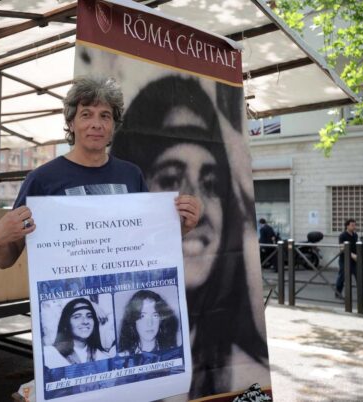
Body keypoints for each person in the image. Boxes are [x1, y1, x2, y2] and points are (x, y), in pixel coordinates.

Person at [111, 75, 269, 397]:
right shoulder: (103, 347)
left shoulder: (247, 374)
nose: (195, 208)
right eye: (170, 178)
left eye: (211, 185)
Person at [0, 77, 201, 269]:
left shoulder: (131, 175)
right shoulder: (42, 180)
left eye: (105, 116)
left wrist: (181, 228)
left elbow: (144, 244)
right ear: (71, 124)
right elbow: (6, 260)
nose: (96, 124)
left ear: (113, 127)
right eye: (86, 115)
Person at [43, 298, 110, 368]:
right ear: (66, 323)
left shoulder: (103, 357)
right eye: (77, 317)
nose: (85, 321)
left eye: (89, 316)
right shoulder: (49, 354)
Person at [118, 290, 179, 355]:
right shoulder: (124, 357)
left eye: (155, 315)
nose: (149, 324)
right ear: (133, 320)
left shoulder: (172, 352)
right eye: (142, 316)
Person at [334, 218, 363, 301]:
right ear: (347, 226)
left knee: (359, 277)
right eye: (352, 225)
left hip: (354, 260)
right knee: (342, 277)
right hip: (344, 260)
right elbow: (342, 248)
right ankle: (338, 293)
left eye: (355, 225)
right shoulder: (342, 235)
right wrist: (352, 255)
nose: (354, 227)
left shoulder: (355, 235)